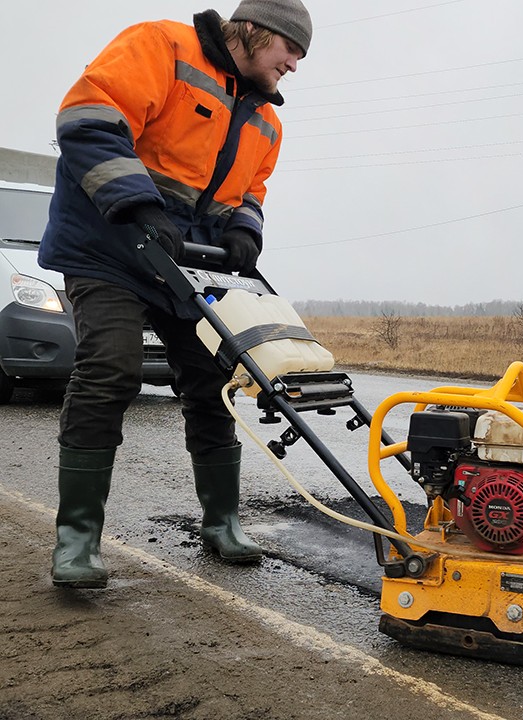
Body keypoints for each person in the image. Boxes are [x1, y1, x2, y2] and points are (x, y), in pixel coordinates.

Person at [38, 0, 312, 588]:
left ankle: (222, 520)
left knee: (213, 382)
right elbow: (87, 118)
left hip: (184, 267)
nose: (294, 64)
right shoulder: (161, 47)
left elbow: (252, 190)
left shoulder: (268, 122)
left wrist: (243, 229)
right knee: (111, 368)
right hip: (107, 246)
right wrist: (137, 204)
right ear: (258, 32)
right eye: (290, 50)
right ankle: (77, 539)